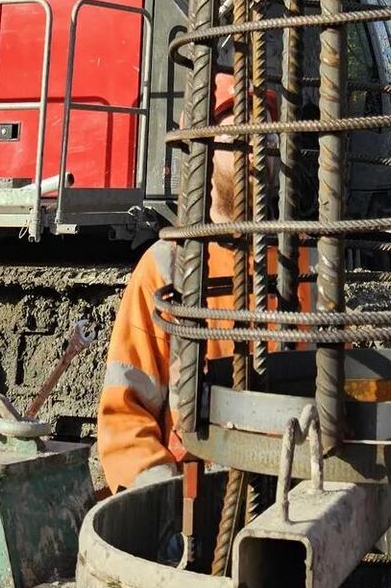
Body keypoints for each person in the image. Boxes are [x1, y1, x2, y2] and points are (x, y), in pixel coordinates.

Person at [97, 71, 302, 492]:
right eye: (239, 136)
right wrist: (165, 500)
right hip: (197, 492)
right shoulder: (166, 267)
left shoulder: (301, 265)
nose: (257, 150)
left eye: (267, 137)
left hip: (291, 494)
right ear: (203, 153)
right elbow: (125, 418)